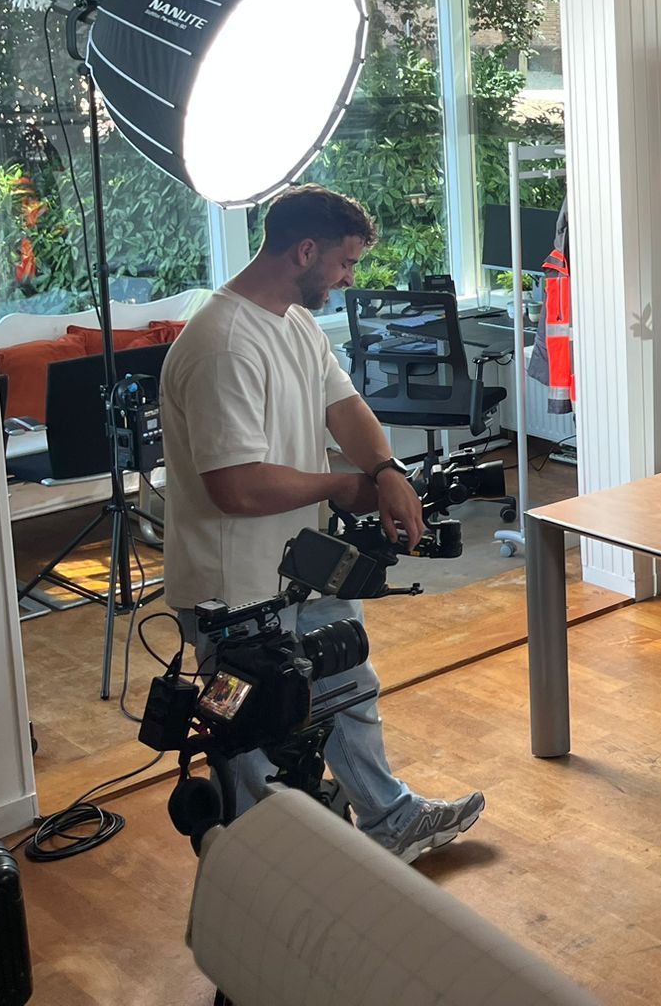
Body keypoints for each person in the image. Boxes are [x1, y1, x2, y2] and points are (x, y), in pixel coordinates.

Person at [159, 184, 485, 862]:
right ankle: (263, 872)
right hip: (231, 590)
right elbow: (236, 487)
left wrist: (388, 471)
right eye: (345, 264)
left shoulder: (296, 323)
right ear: (305, 250)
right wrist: (345, 484)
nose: (348, 279)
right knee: (250, 735)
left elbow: (345, 408)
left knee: (346, 681)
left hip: (296, 562)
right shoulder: (222, 342)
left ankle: (389, 817)